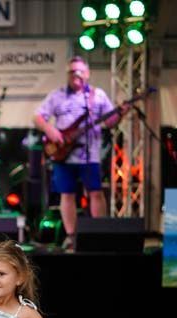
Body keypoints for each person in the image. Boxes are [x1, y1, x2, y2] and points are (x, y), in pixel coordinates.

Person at [33, 56, 128, 250]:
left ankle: (99, 234)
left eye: (79, 71)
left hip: (90, 154)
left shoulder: (97, 95)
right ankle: (71, 236)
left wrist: (121, 113)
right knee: (66, 194)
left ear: (87, 74)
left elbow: (110, 122)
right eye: (72, 71)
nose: (75, 75)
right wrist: (50, 130)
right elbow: (38, 117)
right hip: (63, 154)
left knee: (95, 192)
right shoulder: (57, 95)